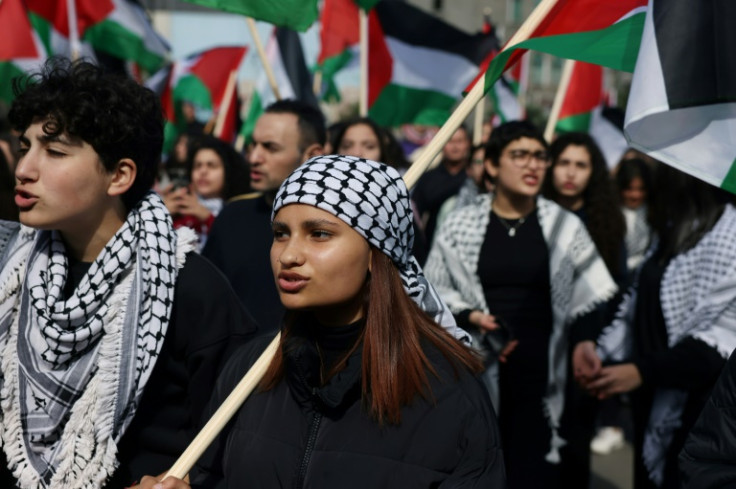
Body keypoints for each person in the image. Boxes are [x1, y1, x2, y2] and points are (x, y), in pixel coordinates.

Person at [139, 154, 504, 489]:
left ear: (377, 254)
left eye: (319, 234)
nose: (289, 254)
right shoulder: (249, 370)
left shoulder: (447, 388)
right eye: (281, 233)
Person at [0, 59, 256, 488]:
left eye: (55, 152)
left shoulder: (188, 287)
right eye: (25, 147)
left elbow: (243, 440)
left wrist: (189, 482)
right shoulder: (10, 268)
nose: (25, 169)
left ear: (119, 175)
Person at [424, 120, 617, 488]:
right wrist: (471, 316)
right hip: (476, 370)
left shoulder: (564, 225)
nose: (533, 165)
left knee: (537, 474)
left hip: (546, 374)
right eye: (520, 155)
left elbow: (589, 295)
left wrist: (586, 343)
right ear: (493, 166)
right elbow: (432, 292)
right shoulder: (460, 223)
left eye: (541, 157)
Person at [586, 165, 736, 488]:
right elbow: (638, 304)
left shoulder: (730, 234)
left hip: (699, 413)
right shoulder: (673, 229)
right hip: (650, 394)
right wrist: (601, 354)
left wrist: (641, 371)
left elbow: (722, 340)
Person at [541, 132, 627, 486]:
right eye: (564, 163)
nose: (571, 173)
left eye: (581, 165)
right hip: (536, 349)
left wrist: (595, 344)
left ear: (594, 172)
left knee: (573, 451)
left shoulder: (606, 224)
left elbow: (614, 294)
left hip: (584, 354)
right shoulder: (534, 216)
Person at [202, 99, 325, 333]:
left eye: (270, 147)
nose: (254, 158)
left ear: (312, 154)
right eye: (253, 145)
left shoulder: (337, 224)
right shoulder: (233, 216)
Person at [162, 135, 250, 250]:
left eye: (211, 166)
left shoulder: (239, 211)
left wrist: (207, 218)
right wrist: (160, 214)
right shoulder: (177, 208)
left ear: (228, 172)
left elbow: (236, 246)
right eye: (197, 166)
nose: (203, 171)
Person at [411, 125, 471, 244]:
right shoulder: (428, 178)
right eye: (450, 141)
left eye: (459, 141)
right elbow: (415, 216)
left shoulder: (475, 178)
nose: (455, 146)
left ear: (468, 143)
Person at [615, 157, 655, 275]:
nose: (635, 195)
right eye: (629, 189)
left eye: (641, 189)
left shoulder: (652, 212)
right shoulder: (611, 215)